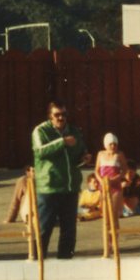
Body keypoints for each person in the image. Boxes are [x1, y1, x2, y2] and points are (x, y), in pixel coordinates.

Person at [31, 100, 90, 260]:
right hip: (49, 188)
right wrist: (62, 142)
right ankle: (38, 263)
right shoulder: (41, 131)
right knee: (44, 229)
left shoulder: (74, 131)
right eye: (57, 115)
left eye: (64, 114)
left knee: (69, 230)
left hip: (69, 188)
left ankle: (65, 261)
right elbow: (40, 151)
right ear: (50, 116)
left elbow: (78, 155)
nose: (61, 118)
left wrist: (84, 157)